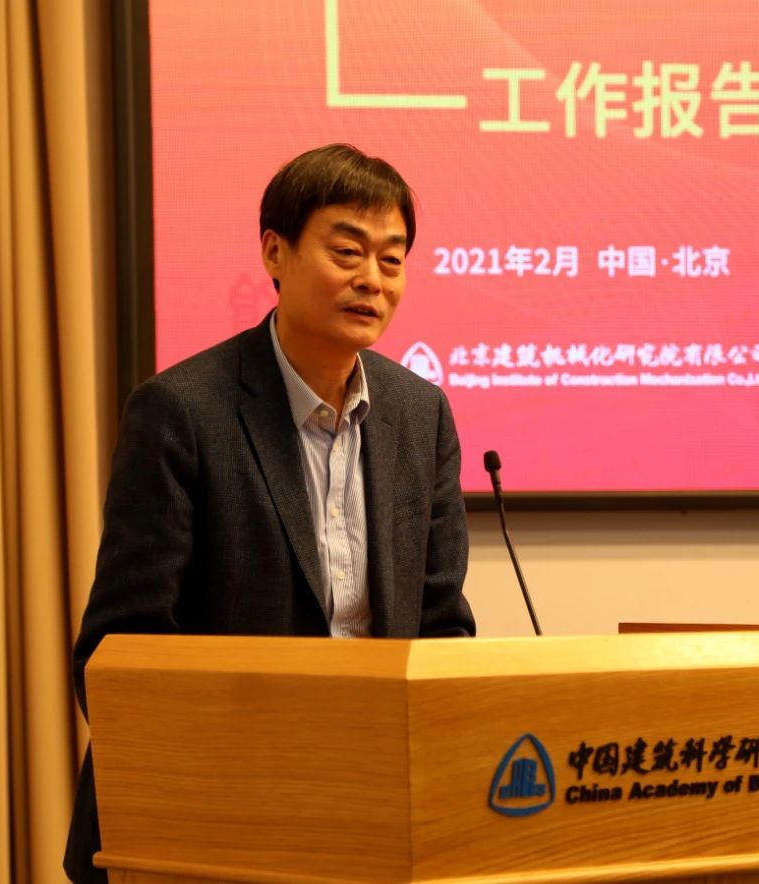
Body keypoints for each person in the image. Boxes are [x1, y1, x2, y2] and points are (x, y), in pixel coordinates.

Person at [63, 144, 474, 883]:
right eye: (347, 251)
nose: (372, 279)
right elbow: (122, 648)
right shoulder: (182, 412)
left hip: (373, 808)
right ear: (275, 252)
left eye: (392, 259)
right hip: (211, 815)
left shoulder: (421, 415)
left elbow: (442, 626)